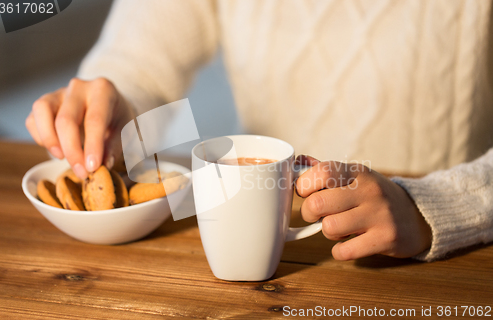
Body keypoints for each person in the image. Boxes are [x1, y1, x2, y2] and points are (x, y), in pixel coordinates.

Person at [25, 0, 493, 262]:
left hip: (442, 261)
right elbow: (139, 65)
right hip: (263, 239)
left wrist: (429, 204)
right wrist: (114, 111)